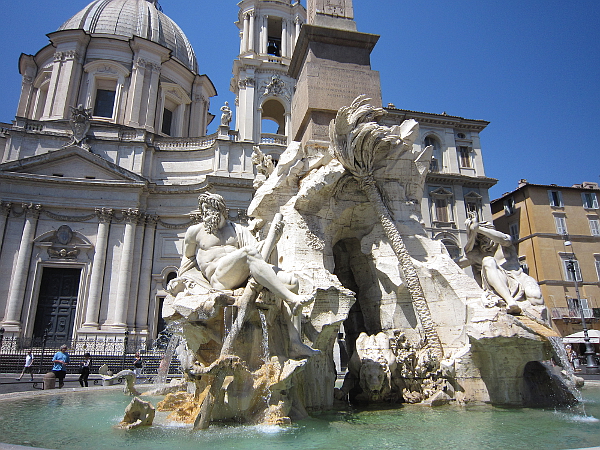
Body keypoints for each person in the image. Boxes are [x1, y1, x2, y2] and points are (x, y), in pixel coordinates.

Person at [459, 213, 543, 314]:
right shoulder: (477, 254)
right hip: (497, 282)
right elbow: (455, 264)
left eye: (485, 237)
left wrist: (478, 229)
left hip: (518, 277)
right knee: (488, 260)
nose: (483, 241)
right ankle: (510, 301)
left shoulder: (503, 244)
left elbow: (504, 239)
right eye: (479, 238)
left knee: (536, 297)